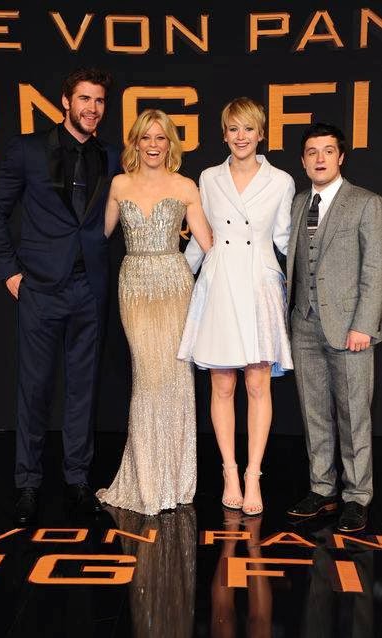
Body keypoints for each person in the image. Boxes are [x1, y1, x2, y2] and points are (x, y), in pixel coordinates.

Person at [0, 67, 120, 523]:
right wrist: (10, 273)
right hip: (40, 288)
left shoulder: (111, 156)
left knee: (83, 390)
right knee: (35, 389)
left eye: (99, 101)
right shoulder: (27, 149)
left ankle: (77, 480)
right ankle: (27, 483)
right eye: (84, 99)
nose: (92, 108)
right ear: (65, 101)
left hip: (89, 288)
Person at [178, 97, 295, 515]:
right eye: (233, 129)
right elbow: (201, 237)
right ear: (224, 134)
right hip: (220, 282)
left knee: (258, 384)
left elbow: (285, 239)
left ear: (261, 133)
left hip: (259, 283)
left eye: (248, 129)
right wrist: (179, 277)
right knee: (222, 385)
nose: (241, 137)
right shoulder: (208, 178)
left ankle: (253, 475)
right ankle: (229, 470)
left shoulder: (281, 181)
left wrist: (317, 274)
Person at [97, 109, 212, 515]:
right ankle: (147, 480)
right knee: (148, 378)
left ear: (170, 144)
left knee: (175, 377)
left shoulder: (185, 185)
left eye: (160, 138)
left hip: (175, 285)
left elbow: (208, 244)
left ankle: (176, 480)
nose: (152, 145)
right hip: (135, 285)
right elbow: (98, 236)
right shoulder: (119, 184)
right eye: (145, 137)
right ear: (135, 142)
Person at [286, 123, 382, 532]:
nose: (320, 158)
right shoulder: (297, 202)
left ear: (341, 157)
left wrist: (364, 325)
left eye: (328, 151)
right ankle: (322, 488)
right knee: (314, 413)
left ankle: (357, 496)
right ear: (303, 160)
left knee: (353, 414)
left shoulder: (366, 203)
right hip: (304, 324)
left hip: (350, 329)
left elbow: (375, 269)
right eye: (312, 152)